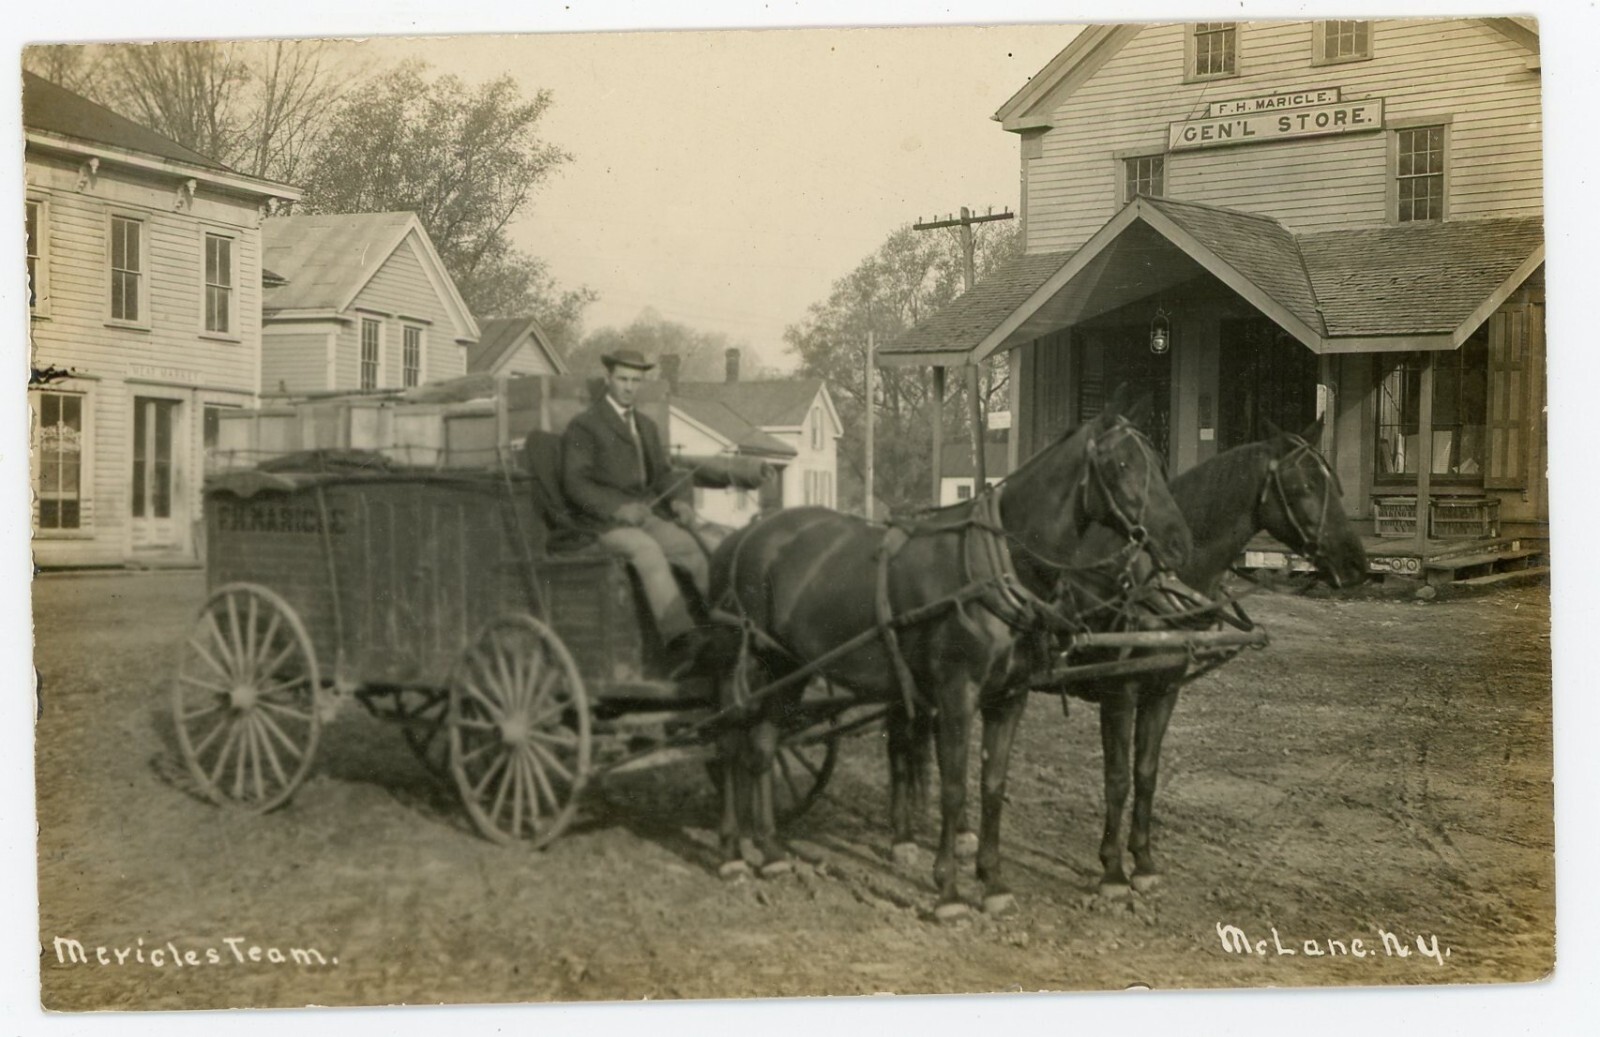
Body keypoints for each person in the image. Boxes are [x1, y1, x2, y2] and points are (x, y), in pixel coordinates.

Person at [561, 349, 708, 644]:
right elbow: (575, 484)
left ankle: (718, 627)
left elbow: (663, 474)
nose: (629, 387)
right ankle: (682, 641)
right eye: (623, 379)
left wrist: (679, 501)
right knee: (647, 551)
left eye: (636, 381)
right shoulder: (585, 426)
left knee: (691, 547)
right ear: (608, 379)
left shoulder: (646, 426)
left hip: (645, 516)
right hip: (599, 525)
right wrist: (618, 509)